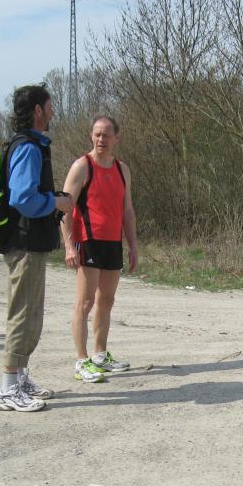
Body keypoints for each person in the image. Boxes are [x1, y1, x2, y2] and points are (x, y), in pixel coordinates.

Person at [0, 84, 74, 413]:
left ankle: (20, 378)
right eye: (50, 106)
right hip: (24, 243)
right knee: (23, 313)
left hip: (30, 243)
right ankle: (7, 389)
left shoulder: (29, 144)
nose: (53, 111)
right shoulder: (27, 148)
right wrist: (56, 202)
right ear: (38, 110)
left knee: (31, 313)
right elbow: (23, 198)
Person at [60, 115, 138, 383]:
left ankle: (100, 355)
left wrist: (133, 246)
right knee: (85, 302)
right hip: (88, 241)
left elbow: (127, 211)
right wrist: (69, 246)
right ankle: (81, 362)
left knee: (106, 300)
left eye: (106, 134)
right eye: (97, 134)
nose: (101, 139)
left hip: (112, 243)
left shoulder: (122, 170)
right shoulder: (82, 166)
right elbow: (64, 209)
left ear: (116, 137)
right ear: (91, 136)